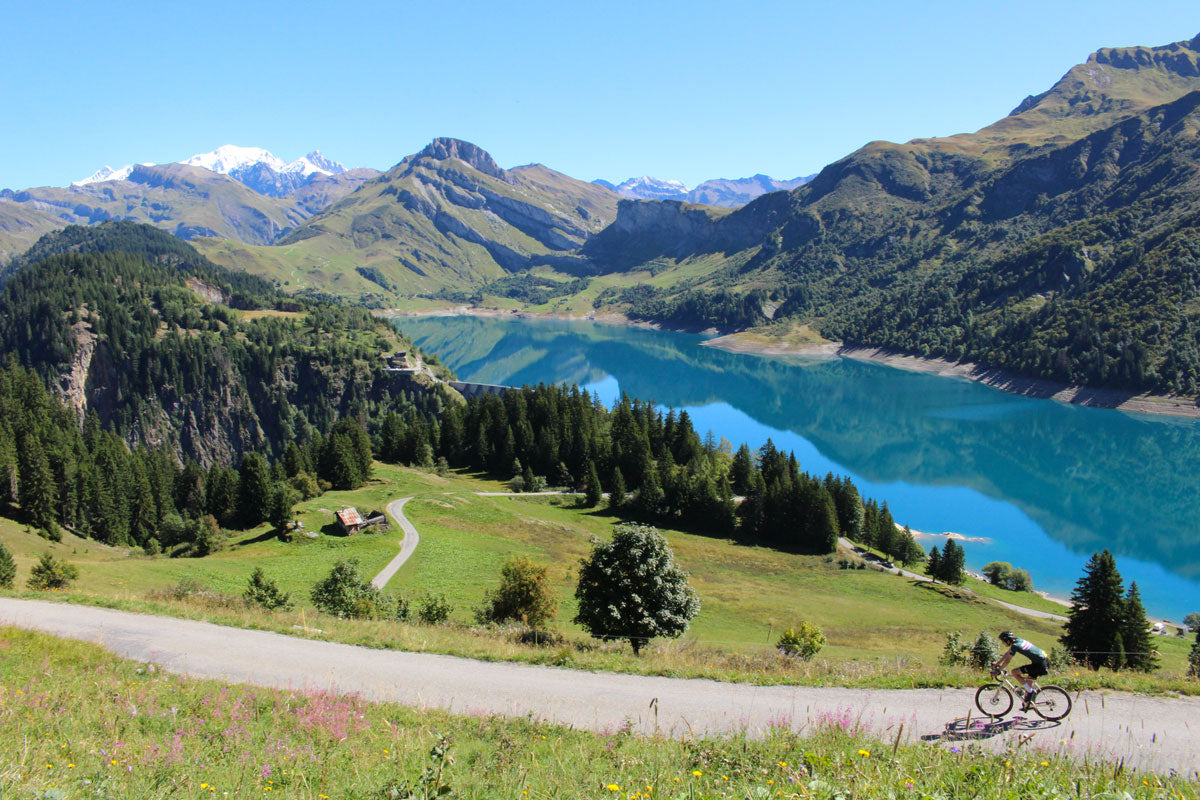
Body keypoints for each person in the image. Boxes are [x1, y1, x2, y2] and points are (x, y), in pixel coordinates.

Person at [993, 630, 1049, 709]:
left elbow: (1008, 660)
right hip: (1042, 661)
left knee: (1014, 672)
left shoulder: (1015, 646)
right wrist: (998, 663)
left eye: (1003, 641)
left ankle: (1031, 692)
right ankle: (1029, 703)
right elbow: (1007, 654)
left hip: (1039, 665)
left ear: (1007, 640)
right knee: (1029, 682)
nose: (1002, 643)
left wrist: (999, 670)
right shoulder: (1018, 640)